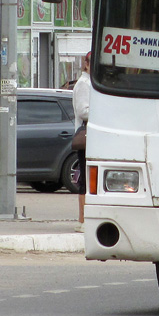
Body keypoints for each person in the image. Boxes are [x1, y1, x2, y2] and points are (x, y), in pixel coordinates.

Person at [72, 51, 92, 228]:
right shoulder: (83, 84)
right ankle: (82, 220)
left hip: (94, 137)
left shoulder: (92, 83)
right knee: (85, 180)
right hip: (86, 137)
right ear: (86, 64)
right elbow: (82, 111)